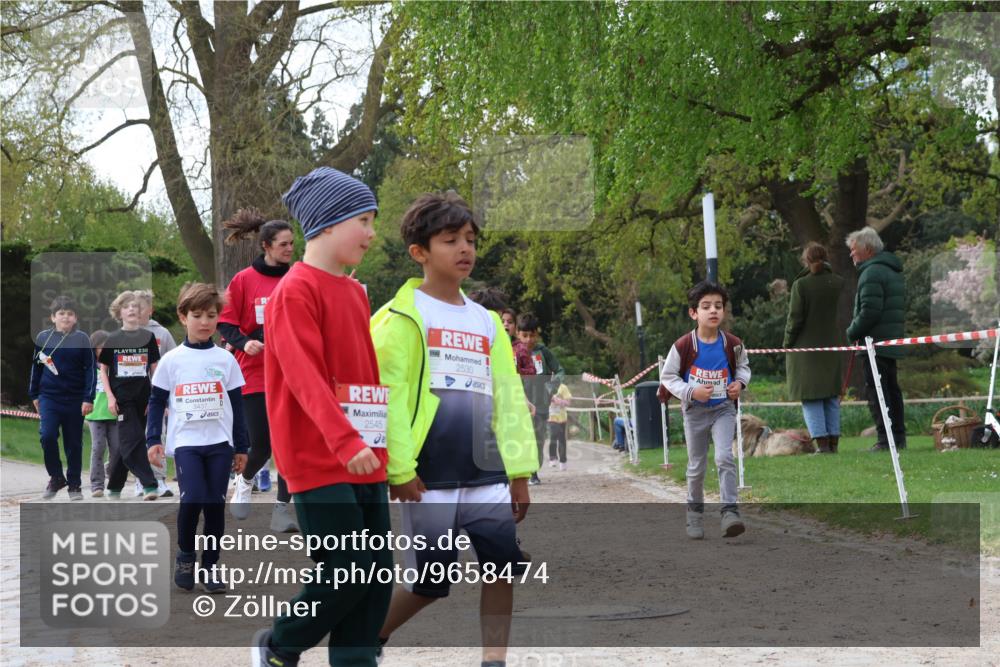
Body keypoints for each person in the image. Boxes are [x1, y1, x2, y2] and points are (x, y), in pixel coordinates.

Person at [371, 191, 537, 667]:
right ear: (419, 252)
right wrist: (398, 468)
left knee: (502, 570)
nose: (465, 248)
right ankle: (370, 639)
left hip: (487, 474)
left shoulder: (486, 322)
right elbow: (386, 400)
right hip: (428, 479)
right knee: (430, 582)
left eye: (470, 239)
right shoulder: (398, 318)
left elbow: (507, 396)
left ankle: (494, 661)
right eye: (450, 240)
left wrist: (519, 471)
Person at [252, 166, 391, 667]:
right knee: (347, 566)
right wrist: (345, 441)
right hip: (319, 457)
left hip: (363, 456)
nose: (373, 233)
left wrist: (379, 450)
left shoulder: (355, 292)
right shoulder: (294, 291)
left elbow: (368, 378)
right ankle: (279, 646)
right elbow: (304, 377)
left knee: (376, 577)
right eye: (365, 219)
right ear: (328, 223)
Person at [146, 282, 248, 593]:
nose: (204, 322)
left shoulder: (226, 360)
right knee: (193, 499)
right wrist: (153, 439)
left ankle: (211, 567)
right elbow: (156, 402)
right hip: (187, 444)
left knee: (215, 504)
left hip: (219, 444)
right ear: (182, 317)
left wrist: (241, 446)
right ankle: (185, 556)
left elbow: (238, 405)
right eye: (197, 315)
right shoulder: (172, 360)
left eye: (211, 315)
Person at [217, 207, 298, 532]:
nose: (290, 249)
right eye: (283, 244)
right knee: (262, 443)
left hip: (291, 373)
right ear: (266, 246)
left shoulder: (298, 278)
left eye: (292, 243)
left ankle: (282, 511)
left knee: (290, 446)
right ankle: (245, 481)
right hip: (253, 373)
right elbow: (226, 321)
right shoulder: (244, 280)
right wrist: (244, 341)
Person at [660, 281, 751, 540]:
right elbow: (668, 377)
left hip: (723, 409)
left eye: (718, 306)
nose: (713, 311)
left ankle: (730, 513)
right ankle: (694, 516)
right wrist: (691, 392)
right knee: (697, 466)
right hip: (695, 412)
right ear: (693, 313)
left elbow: (743, 366)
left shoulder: (732, 343)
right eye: (706, 306)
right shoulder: (683, 346)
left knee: (724, 457)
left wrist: (739, 383)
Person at [845, 226, 906, 452]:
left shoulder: (871, 273)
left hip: (875, 343)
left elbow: (870, 311)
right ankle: (898, 437)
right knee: (892, 390)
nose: (851, 254)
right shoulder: (891, 271)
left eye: (854, 250)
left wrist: (852, 331)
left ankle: (884, 439)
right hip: (889, 342)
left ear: (867, 249)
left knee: (877, 392)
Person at [28, 296, 96, 500]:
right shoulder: (43, 338)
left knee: (73, 443)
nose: (65, 317)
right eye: (61, 313)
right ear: (53, 317)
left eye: (70, 314)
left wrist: (88, 398)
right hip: (49, 397)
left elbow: (90, 369)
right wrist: (34, 394)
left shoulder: (82, 339)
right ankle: (56, 477)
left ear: (75, 318)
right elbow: (36, 367)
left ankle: (74, 484)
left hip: (75, 399)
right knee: (47, 436)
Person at [784, 243, 846, 454]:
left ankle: (822, 445)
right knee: (830, 396)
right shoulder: (838, 282)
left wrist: (787, 344)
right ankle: (834, 444)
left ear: (805, 260)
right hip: (832, 346)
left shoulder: (801, 285)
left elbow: (795, 319)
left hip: (805, 350)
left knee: (811, 396)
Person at [98, 290, 160, 500]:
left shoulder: (148, 337)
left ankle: (114, 487)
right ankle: (150, 484)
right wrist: (110, 397)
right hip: (122, 399)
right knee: (133, 440)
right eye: (127, 306)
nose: (132, 309)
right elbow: (103, 370)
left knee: (127, 443)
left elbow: (154, 369)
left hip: (143, 397)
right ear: (119, 312)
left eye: (135, 306)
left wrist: (156, 398)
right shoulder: (114, 338)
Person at [515, 312, 564, 485]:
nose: (528, 339)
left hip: (541, 402)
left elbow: (559, 370)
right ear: (517, 334)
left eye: (532, 335)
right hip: (519, 401)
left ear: (537, 334)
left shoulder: (543, 352)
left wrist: (552, 387)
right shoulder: (512, 351)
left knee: (538, 438)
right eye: (524, 335)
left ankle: (534, 469)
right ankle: (524, 472)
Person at [136, 289, 176, 498]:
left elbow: (174, 365)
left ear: (150, 310)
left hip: (157, 396)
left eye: (141, 307)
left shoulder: (162, 334)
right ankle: (140, 479)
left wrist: (170, 400)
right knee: (135, 437)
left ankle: (159, 479)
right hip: (131, 396)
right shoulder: (122, 334)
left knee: (157, 435)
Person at [85, 329, 118, 497]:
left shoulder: (116, 368)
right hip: (95, 415)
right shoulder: (88, 368)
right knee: (98, 447)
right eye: (101, 347)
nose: (105, 350)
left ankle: (111, 474)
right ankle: (97, 485)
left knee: (117, 449)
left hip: (114, 414)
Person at [547, 383, 572, 470]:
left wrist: (558, 401)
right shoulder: (545, 385)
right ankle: (552, 458)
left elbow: (568, 403)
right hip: (551, 416)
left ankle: (563, 461)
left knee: (561, 439)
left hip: (562, 417)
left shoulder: (563, 387)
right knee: (554, 434)